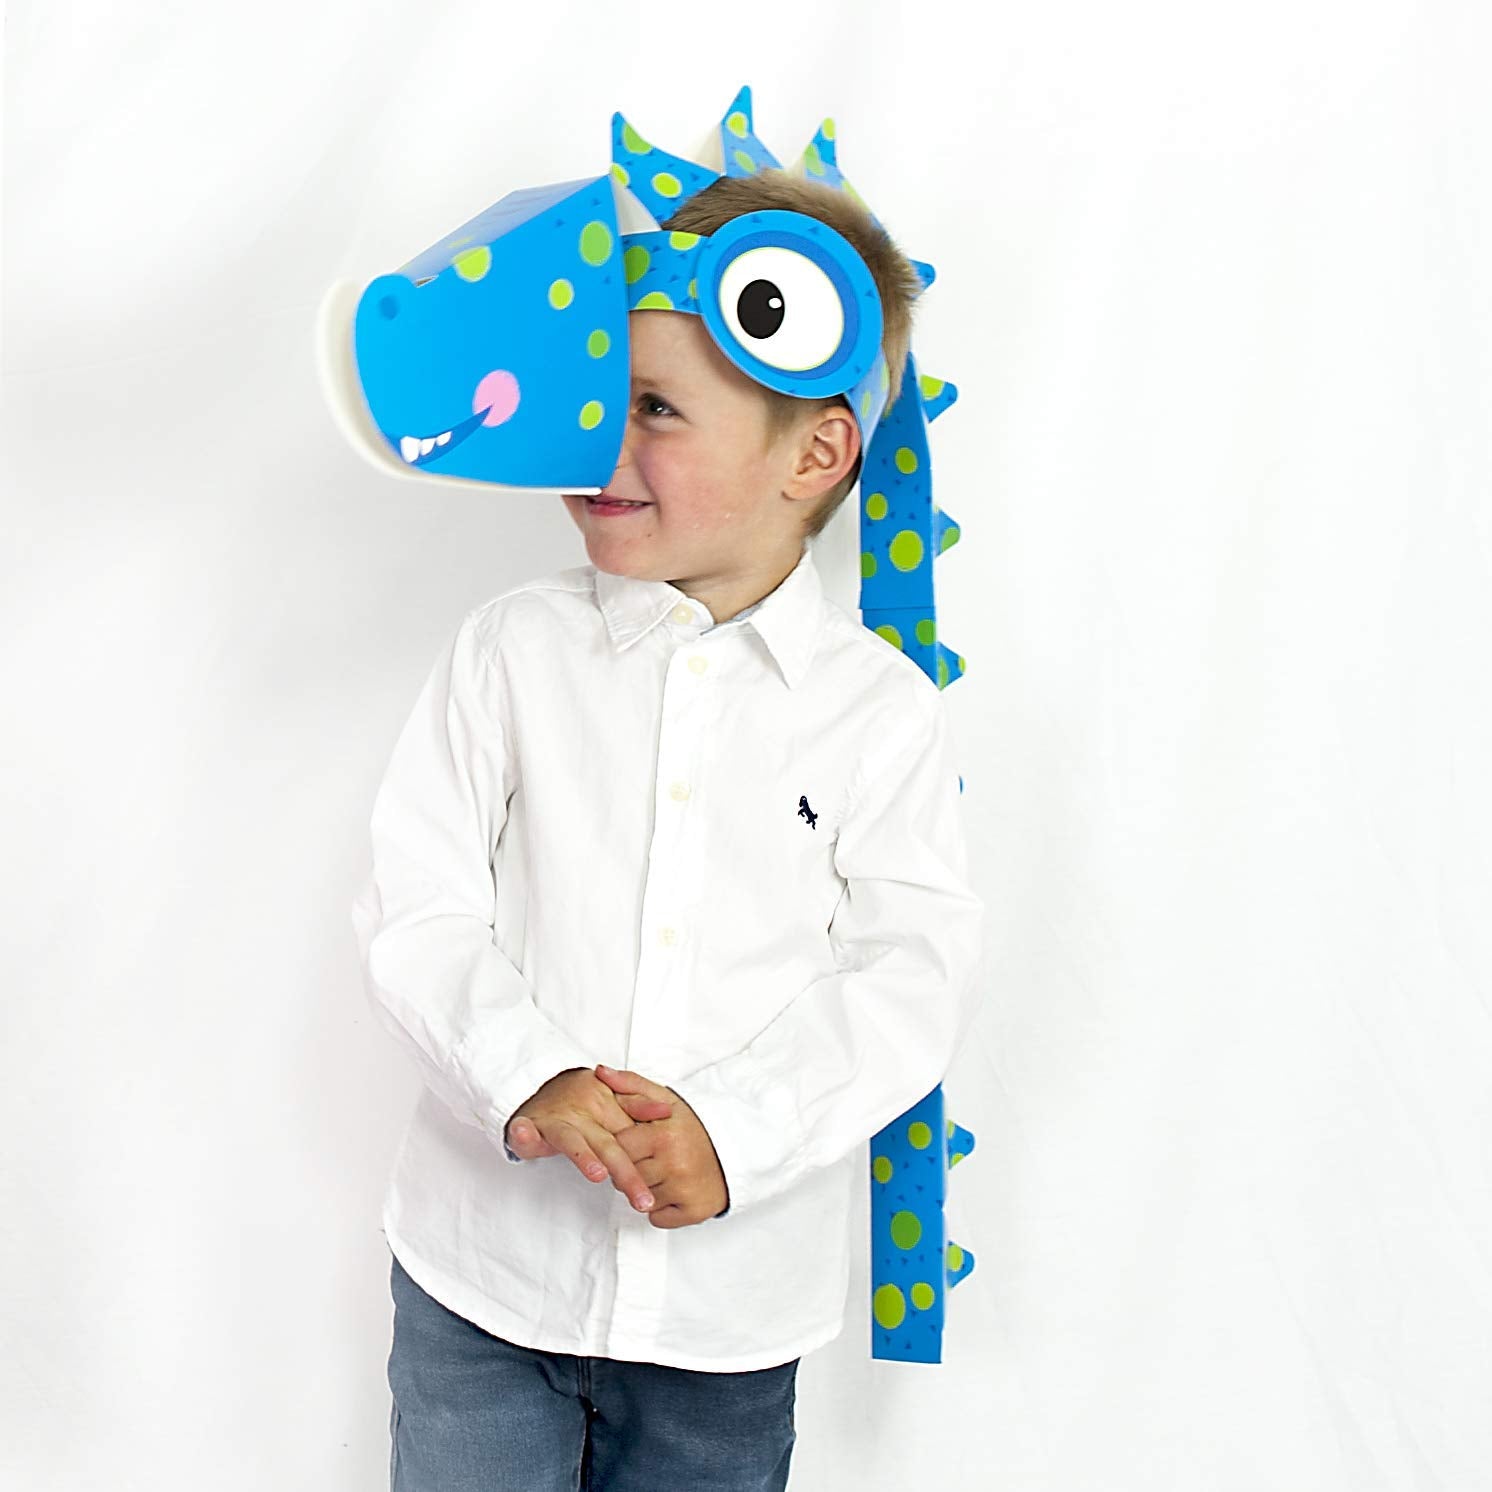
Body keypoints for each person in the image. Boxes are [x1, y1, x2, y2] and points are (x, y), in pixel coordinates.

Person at [352, 168, 986, 1491]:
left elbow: (908, 977)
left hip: (725, 1320)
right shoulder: (512, 652)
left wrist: (735, 1131)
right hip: (487, 1282)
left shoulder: (878, 715)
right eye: (594, 396)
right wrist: (525, 1072)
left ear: (813, 455)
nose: (597, 439)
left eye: (652, 408)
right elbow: (417, 902)